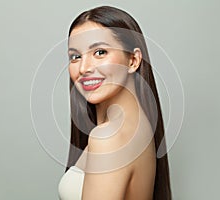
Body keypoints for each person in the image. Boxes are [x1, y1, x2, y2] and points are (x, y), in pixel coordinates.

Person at [58, 5, 172, 200]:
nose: (84, 68)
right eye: (75, 57)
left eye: (100, 52)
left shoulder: (109, 138)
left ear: (133, 61)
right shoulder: (139, 125)